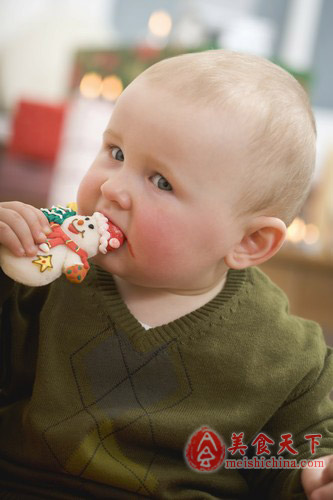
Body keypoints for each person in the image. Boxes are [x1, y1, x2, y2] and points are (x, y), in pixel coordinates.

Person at [0, 50, 332, 499]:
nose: (112, 188)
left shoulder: (284, 357)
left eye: (161, 182)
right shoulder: (39, 272)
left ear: (248, 242)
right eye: (116, 152)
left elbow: (296, 454)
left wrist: (315, 477)